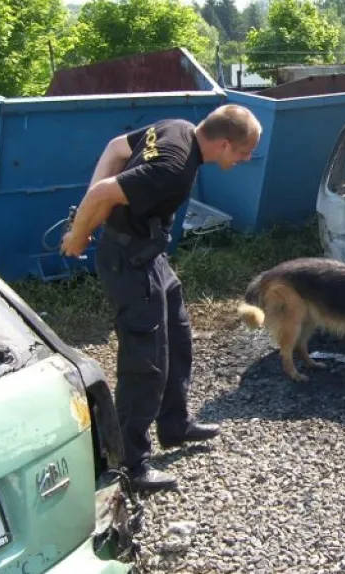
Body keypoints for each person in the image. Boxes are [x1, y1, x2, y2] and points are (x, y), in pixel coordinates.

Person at [60, 104, 262, 491]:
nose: (246, 158)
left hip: (150, 255)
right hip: (128, 262)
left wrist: (89, 209)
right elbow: (106, 191)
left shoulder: (178, 127)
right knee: (145, 360)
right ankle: (130, 464)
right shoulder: (173, 168)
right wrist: (80, 232)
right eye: (243, 151)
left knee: (179, 336)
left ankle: (175, 424)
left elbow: (117, 148)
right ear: (223, 144)